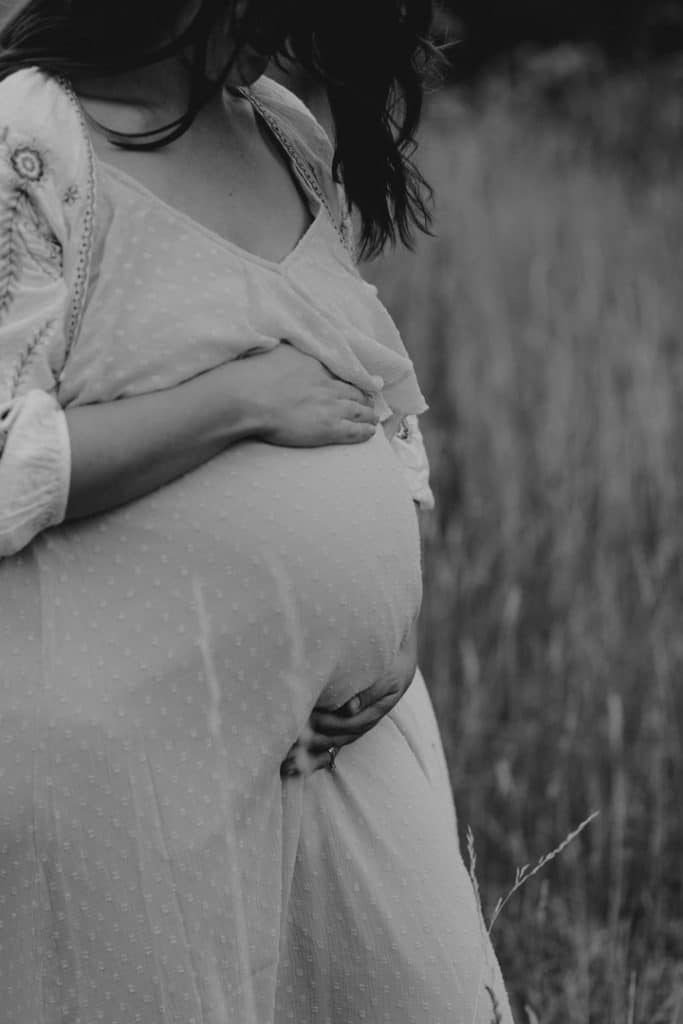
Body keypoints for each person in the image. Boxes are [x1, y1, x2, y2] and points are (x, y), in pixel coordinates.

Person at [0, 1, 515, 1021]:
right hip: (125, 757)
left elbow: (356, 379)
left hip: (344, 741)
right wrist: (231, 402)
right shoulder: (31, 138)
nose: (278, 35)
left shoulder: (278, 127)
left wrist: (382, 620)